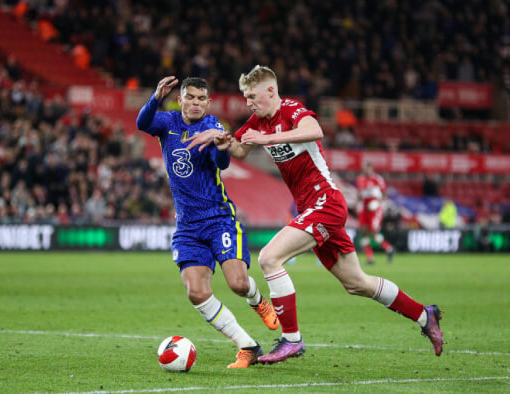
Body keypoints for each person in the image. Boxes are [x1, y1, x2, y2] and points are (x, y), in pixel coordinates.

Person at [185, 65, 444, 363]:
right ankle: (425, 316)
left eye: (253, 96)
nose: (248, 103)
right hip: (313, 209)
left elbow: (315, 130)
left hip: (326, 203)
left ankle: (291, 340)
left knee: (270, 258)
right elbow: (241, 150)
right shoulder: (258, 120)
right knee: (356, 282)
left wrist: (268, 139)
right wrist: (220, 138)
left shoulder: (293, 110)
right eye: (246, 97)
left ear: (271, 91)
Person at [136, 76, 279, 368]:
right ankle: (247, 346)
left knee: (238, 284)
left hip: (219, 220)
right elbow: (142, 123)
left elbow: (222, 163)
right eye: (190, 97)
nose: (196, 103)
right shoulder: (168, 122)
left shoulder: (213, 127)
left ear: (208, 102)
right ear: (181, 99)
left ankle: (257, 299)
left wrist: (221, 144)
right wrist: (155, 98)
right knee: (196, 292)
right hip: (187, 227)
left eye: (201, 98)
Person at [356, 162, 395, 264]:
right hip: (364, 208)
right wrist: (358, 205)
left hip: (375, 209)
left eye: (369, 168)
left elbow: (384, 195)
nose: (367, 170)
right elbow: (359, 194)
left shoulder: (377, 179)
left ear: (372, 169)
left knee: (372, 232)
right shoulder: (360, 179)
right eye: (366, 168)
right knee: (363, 231)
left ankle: (389, 248)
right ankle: (370, 258)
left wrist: (377, 204)